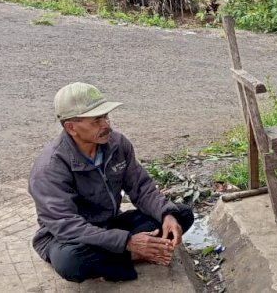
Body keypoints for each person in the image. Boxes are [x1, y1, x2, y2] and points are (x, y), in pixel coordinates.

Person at [28, 82, 194, 282]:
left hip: (110, 225)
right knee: (70, 262)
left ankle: (121, 257)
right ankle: (134, 255)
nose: (106, 125)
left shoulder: (117, 144)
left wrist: (166, 214)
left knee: (180, 214)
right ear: (71, 128)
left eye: (106, 116)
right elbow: (67, 226)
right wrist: (128, 243)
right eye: (96, 121)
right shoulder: (49, 168)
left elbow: (141, 188)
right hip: (71, 238)